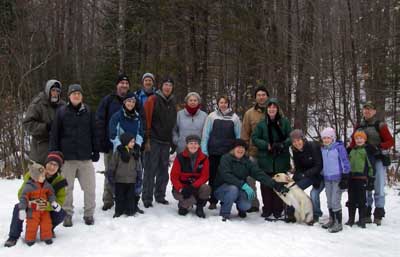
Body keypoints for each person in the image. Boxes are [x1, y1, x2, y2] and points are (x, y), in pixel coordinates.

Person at [50, 84, 99, 227]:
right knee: (66, 188)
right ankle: (66, 214)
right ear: (69, 96)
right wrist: (55, 155)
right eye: (73, 93)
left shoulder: (88, 111)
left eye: (78, 93)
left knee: (89, 187)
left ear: (82, 96)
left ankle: (89, 214)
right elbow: (55, 134)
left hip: (85, 157)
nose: (76, 95)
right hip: (67, 158)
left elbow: (94, 132)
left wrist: (95, 150)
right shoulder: (61, 112)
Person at [213, 139, 289, 221]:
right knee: (233, 189)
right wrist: (243, 185)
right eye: (238, 147)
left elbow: (259, 174)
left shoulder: (247, 162)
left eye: (243, 148)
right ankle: (224, 214)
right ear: (233, 149)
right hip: (222, 190)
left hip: (239, 188)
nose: (240, 150)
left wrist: (275, 184)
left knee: (246, 205)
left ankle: (241, 210)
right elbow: (226, 175)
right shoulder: (226, 158)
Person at [4, 152, 67, 247]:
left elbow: (60, 201)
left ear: (59, 168)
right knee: (18, 207)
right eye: (50, 163)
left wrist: (47, 205)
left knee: (61, 213)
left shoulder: (60, 181)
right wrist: (29, 203)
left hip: (46, 208)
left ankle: (48, 229)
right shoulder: (34, 172)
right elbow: (21, 193)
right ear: (46, 163)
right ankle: (13, 236)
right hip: (31, 205)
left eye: (56, 165)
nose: (52, 167)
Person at [349, 101, 394, 225]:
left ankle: (378, 213)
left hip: (378, 159)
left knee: (378, 186)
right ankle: (367, 212)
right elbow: (353, 142)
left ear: (374, 111)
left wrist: (379, 147)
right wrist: (348, 151)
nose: (367, 111)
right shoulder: (359, 126)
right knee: (366, 186)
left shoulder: (380, 125)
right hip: (363, 160)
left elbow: (390, 141)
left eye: (370, 109)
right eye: (365, 109)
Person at [251, 98, 292, 220]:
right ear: (267, 109)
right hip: (266, 159)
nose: (272, 109)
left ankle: (278, 209)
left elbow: (291, 137)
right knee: (266, 185)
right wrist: (267, 145)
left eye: (274, 107)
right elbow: (255, 138)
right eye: (269, 107)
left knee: (279, 184)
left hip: (280, 158)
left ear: (278, 109)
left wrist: (282, 144)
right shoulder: (262, 124)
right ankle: (267, 208)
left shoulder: (284, 122)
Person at [96, 74, 131, 211]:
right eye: (121, 82)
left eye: (126, 83)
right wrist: (102, 139)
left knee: (126, 173)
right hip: (110, 144)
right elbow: (99, 120)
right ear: (117, 85)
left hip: (128, 145)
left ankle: (125, 198)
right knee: (110, 172)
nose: (124, 85)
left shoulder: (132, 100)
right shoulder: (108, 100)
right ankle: (108, 199)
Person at [201, 96, 241, 210]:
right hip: (213, 152)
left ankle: (225, 200)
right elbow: (206, 134)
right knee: (212, 177)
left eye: (225, 102)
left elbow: (238, 136)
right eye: (221, 102)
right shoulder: (212, 116)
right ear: (218, 104)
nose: (223, 104)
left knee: (226, 177)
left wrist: (237, 152)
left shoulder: (234, 118)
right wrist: (204, 150)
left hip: (228, 154)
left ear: (228, 104)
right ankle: (213, 200)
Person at [142, 77, 177, 207]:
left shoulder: (173, 102)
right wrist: (147, 139)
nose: (167, 87)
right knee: (150, 169)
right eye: (165, 84)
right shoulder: (153, 100)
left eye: (170, 85)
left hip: (166, 141)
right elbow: (145, 119)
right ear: (161, 87)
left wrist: (173, 141)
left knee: (163, 170)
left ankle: (160, 195)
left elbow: (174, 123)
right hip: (154, 140)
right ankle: (147, 197)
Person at [109, 94, 144, 213]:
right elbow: (112, 133)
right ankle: (117, 201)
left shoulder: (137, 117)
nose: (130, 104)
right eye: (128, 101)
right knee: (119, 176)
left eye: (133, 102)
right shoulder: (117, 116)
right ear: (124, 102)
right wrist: (120, 147)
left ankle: (134, 201)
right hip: (119, 150)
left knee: (135, 175)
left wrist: (138, 145)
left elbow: (140, 132)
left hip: (133, 149)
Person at [17, 162, 61, 246]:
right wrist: (22, 209)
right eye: (42, 176)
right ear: (35, 177)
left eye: (44, 176)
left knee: (47, 223)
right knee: (32, 224)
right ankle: (30, 239)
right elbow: (23, 198)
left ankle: (47, 237)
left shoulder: (46, 185)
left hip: (44, 210)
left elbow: (51, 194)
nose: (44, 178)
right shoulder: (29, 186)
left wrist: (53, 202)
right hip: (33, 210)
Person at [240, 86, 269, 213]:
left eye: (263, 94)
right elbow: (245, 133)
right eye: (259, 95)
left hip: (270, 154)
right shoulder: (249, 113)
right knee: (250, 179)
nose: (261, 97)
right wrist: (244, 151)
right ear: (255, 97)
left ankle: (270, 205)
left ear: (267, 96)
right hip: (253, 152)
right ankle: (253, 203)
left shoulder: (274, 110)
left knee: (268, 180)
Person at [23, 80, 65, 164]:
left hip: (59, 150)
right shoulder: (37, 104)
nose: (55, 93)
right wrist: (46, 127)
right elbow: (27, 124)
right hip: (41, 149)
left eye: (58, 91)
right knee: (40, 176)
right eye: (53, 90)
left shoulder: (63, 105)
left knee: (58, 176)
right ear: (47, 90)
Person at [170, 135, 211, 218]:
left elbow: (205, 176)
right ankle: (186, 204)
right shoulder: (180, 157)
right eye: (191, 143)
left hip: (196, 186)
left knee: (206, 188)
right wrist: (181, 189)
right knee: (182, 211)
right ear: (187, 145)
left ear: (199, 145)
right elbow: (174, 176)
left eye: (196, 143)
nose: (193, 146)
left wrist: (193, 187)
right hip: (182, 187)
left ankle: (199, 207)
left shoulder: (204, 158)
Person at [320, 127, 350, 233]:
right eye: (324, 138)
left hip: (337, 178)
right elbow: (323, 164)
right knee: (329, 200)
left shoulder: (338, 148)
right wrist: (321, 174)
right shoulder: (323, 149)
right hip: (327, 178)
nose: (326, 140)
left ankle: (338, 223)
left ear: (333, 138)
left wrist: (345, 176)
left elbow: (345, 161)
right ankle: (332, 219)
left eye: (328, 138)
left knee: (335, 200)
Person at [290, 129, 324, 223]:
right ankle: (292, 212)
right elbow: (298, 168)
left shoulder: (313, 146)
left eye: (298, 140)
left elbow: (319, 165)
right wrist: (292, 181)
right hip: (309, 175)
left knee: (314, 194)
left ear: (303, 139)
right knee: (293, 189)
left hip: (320, 175)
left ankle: (316, 214)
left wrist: (305, 174)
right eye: (294, 142)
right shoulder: (296, 151)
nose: (297, 143)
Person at [346, 131, 376, 228]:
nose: (359, 140)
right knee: (351, 199)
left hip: (362, 178)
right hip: (352, 178)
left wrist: (371, 179)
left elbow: (371, 165)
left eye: (361, 138)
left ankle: (362, 219)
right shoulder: (352, 150)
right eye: (357, 138)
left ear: (365, 139)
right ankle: (351, 219)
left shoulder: (366, 151)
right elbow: (347, 164)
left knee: (362, 199)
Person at [107, 133, 140, 218]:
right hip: (119, 180)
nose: (133, 143)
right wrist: (110, 174)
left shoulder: (135, 153)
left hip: (131, 180)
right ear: (126, 142)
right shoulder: (118, 152)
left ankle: (130, 210)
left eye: (134, 142)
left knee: (130, 197)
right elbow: (112, 164)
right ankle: (119, 211)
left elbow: (138, 166)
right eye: (131, 142)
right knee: (119, 198)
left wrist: (139, 176)